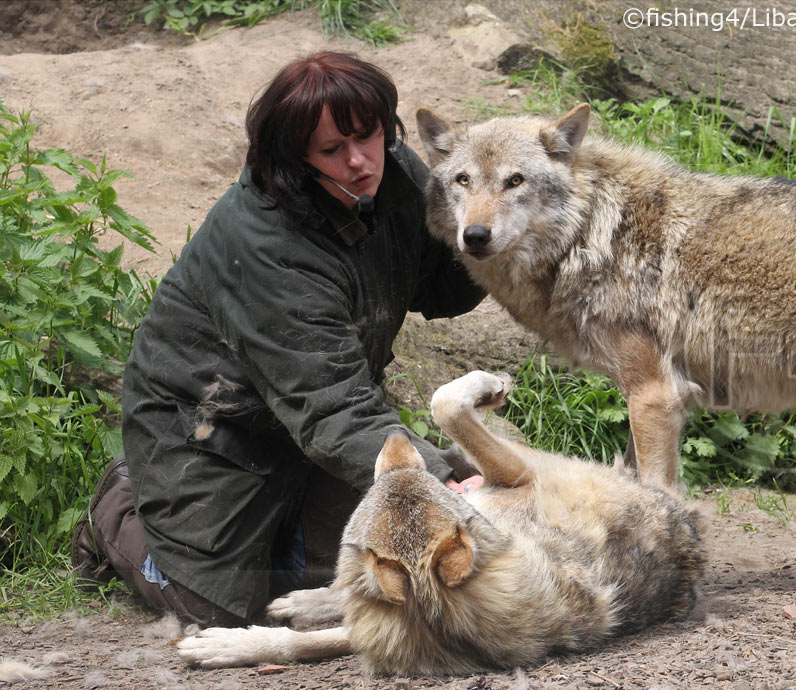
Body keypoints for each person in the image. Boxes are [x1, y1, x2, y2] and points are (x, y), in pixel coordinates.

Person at [70, 51, 485, 627]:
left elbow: (442, 290)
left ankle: (289, 524)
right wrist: (445, 480)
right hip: (211, 429)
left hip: (309, 418)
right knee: (219, 608)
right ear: (295, 160)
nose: (360, 161)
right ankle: (115, 510)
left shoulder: (392, 168)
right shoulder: (264, 244)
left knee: (364, 575)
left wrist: (493, 241)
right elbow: (333, 406)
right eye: (332, 150)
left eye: (366, 136)